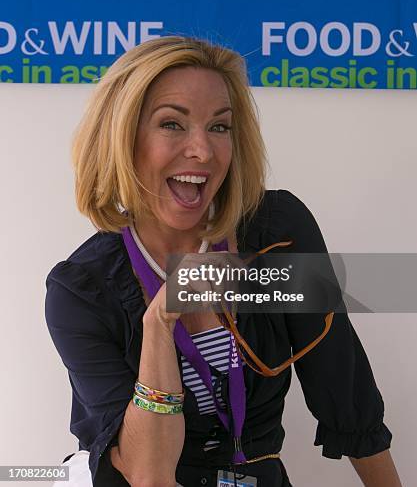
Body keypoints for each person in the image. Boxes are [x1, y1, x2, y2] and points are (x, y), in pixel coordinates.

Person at [45, 36, 401, 487]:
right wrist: (159, 324)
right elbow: (147, 473)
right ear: (122, 138)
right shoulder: (82, 288)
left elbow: (343, 386)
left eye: (220, 127)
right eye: (172, 124)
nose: (203, 151)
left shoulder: (276, 233)